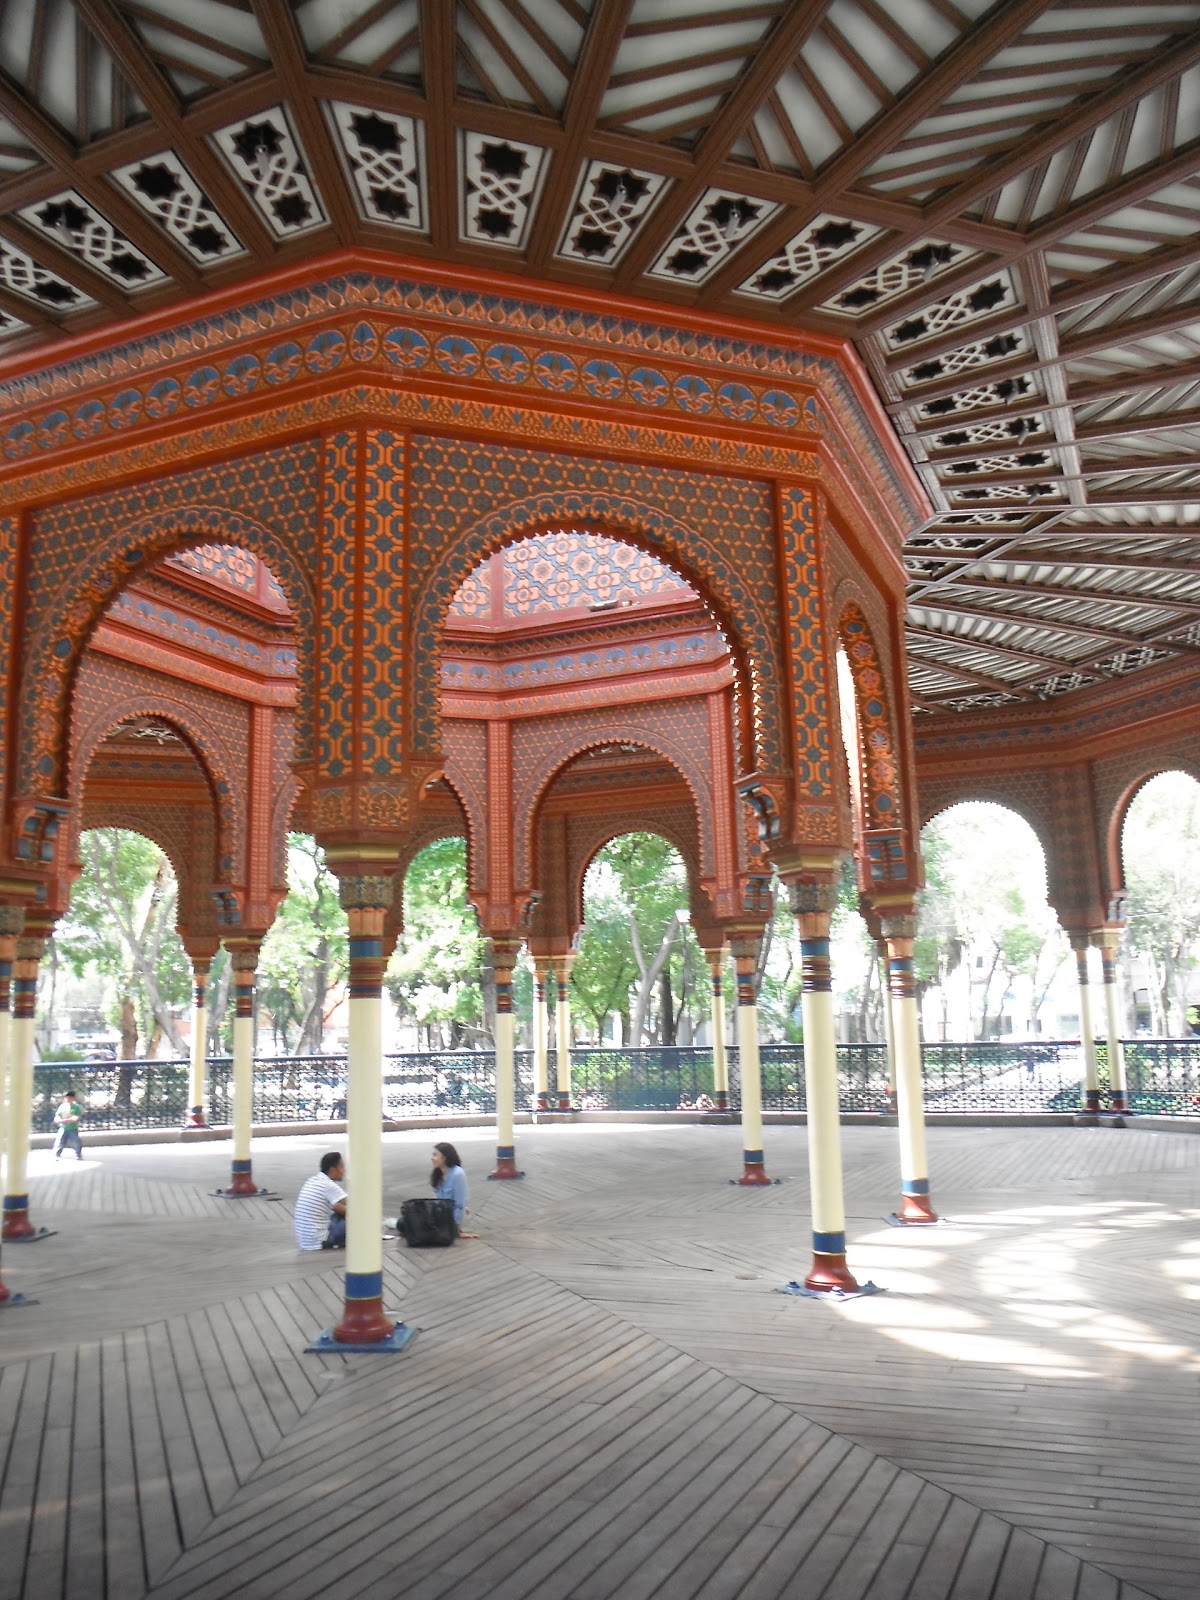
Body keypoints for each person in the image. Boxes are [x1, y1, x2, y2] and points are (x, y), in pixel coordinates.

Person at [294, 1151, 347, 1250]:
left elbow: (336, 1207)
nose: (344, 1170)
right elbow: (357, 1204)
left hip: (306, 1241)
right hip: (319, 1240)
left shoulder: (313, 1181)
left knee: (339, 1216)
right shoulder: (328, 1185)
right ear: (333, 1169)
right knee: (356, 1224)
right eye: (342, 1167)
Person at [430, 1141, 477, 1238]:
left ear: (445, 1157)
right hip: (439, 1216)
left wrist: (455, 1230)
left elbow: (459, 1204)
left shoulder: (458, 1174)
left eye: (435, 1155)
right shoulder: (438, 1173)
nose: (432, 1158)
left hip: (448, 1221)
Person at [53, 1087, 84, 1160]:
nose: (68, 1099)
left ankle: (78, 1154)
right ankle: (57, 1154)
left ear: (73, 1098)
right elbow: (57, 1116)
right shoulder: (62, 1106)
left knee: (75, 1141)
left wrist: (73, 1119)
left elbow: (77, 1117)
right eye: (67, 1098)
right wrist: (58, 1120)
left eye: (70, 1098)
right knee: (59, 1141)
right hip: (63, 1128)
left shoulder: (76, 1107)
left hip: (72, 1128)